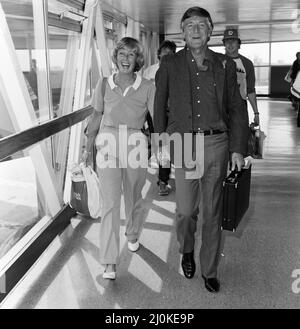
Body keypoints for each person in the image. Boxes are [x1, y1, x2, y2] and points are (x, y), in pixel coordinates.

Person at [153, 6, 249, 293]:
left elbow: (236, 109)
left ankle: (209, 269)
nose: (195, 29)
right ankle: (186, 249)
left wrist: (237, 149)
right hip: (183, 144)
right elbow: (160, 105)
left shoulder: (224, 65)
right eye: (190, 24)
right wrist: (160, 140)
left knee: (212, 212)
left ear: (210, 31)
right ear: (182, 31)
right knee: (184, 211)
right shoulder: (169, 65)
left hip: (217, 144)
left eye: (201, 25)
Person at [84, 37, 155, 280]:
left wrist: (161, 147)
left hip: (135, 141)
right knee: (110, 203)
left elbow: (156, 122)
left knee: (134, 197)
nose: (126, 59)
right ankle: (109, 261)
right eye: (122, 54)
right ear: (116, 58)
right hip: (107, 142)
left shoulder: (147, 86)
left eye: (131, 55)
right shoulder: (103, 84)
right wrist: (87, 148)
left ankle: (133, 233)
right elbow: (96, 115)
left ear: (138, 60)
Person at [143, 40, 177, 196]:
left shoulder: (180, 71)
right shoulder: (149, 72)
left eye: (170, 55)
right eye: (163, 56)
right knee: (162, 148)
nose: (166, 58)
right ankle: (163, 180)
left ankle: (184, 178)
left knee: (180, 145)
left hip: (175, 114)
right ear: (158, 56)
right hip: (155, 115)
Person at [223, 28, 260, 126]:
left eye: (233, 41)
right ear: (224, 44)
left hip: (240, 106)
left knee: (240, 138)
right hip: (222, 106)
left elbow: (250, 90)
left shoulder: (247, 63)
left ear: (239, 44)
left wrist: (256, 113)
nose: (230, 44)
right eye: (227, 41)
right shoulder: (218, 62)